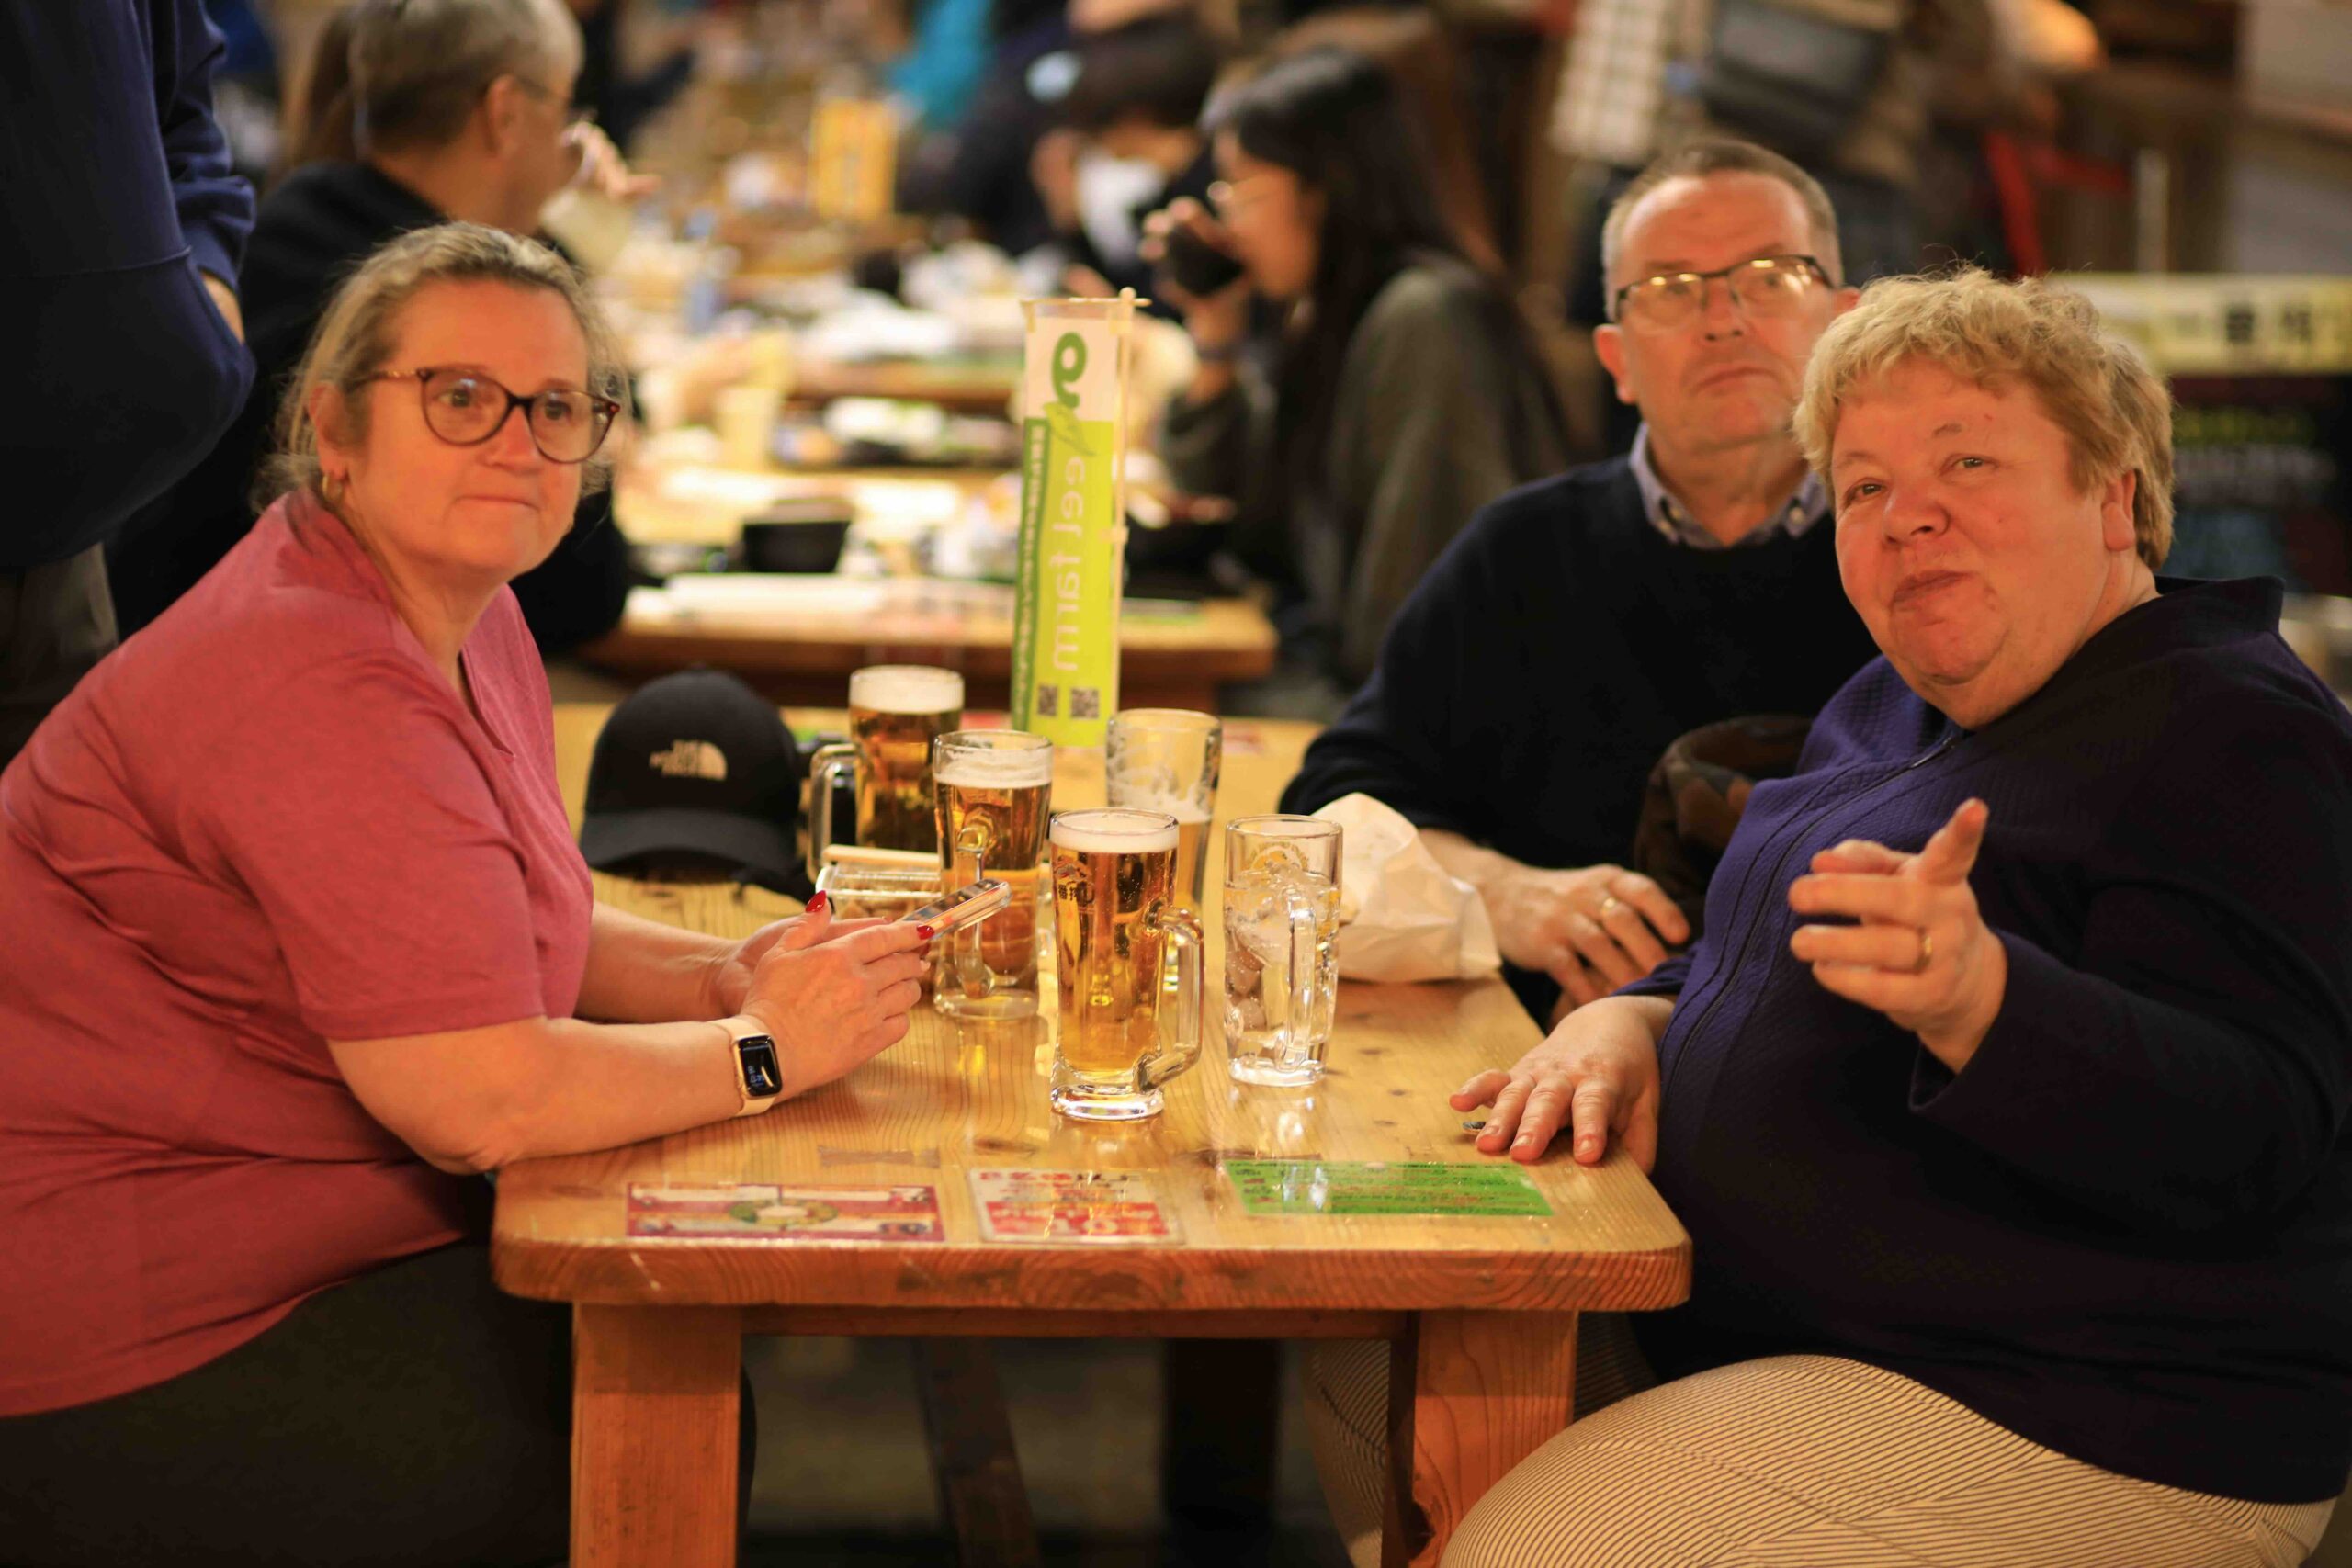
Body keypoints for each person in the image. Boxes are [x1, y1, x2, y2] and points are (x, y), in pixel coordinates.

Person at [0, 223, 932, 1566]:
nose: (516, 442)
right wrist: (767, 1049)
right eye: (459, 396)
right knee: (650, 1403)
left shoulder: (459, 605)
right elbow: (477, 1096)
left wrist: (721, 977)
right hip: (111, 1308)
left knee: (675, 1365)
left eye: (556, 407)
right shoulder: (313, 670)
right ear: (335, 426)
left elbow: (494, 924)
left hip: (283, 1222)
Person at [1418, 266, 2352, 1563]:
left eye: (1967, 462)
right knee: (1387, 1362)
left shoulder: (2235, 734)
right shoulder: (1889, 699)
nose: (1909, 516)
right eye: (1864, 487)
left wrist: (1987, 1006)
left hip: (2085, 1410)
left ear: (2113, 497)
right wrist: (1633, 1018)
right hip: (1778, 1339)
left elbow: (2258, 1130)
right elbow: (1758, 944)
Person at [1282, 139, 1882, 1025]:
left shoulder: (1912, 553)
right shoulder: (1523, 552)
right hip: (1529, 1063)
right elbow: (1335, 803)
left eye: (1769, 277)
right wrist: (1506, 895)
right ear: (1616, 359)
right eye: (1671, 288)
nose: (1723, 320)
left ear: (1844, 321)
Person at [107, 0, 642, 655]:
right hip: (259, 684)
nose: (573, 145)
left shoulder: (306, 227)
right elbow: (579, 592)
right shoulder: (414, 304)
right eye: (566, 112)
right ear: (504, 112)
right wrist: (571, 247)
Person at [1151, 46, 1568, 695]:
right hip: (1332, 675)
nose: (1229, 221)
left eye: (1243, 188)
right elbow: (1231, 508)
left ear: (1325, 189)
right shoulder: (1322, 312)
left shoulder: (1423, 318)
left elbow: (1416, 609)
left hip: (1391, 709)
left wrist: (1345, 740)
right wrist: (1216, 333)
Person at [0, 0, 255, 766]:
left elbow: (184, 109)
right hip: (78, 518)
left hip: (72, 545)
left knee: (58, 838)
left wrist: (207, 275)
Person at [1030, 13, 1221, 301]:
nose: (1090, 143)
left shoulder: (1203, 192)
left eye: (1094, 127)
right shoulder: (1167, 186)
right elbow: (1126, 286)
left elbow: (1154, 306)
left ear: (1132, 121)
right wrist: (1070, 216)